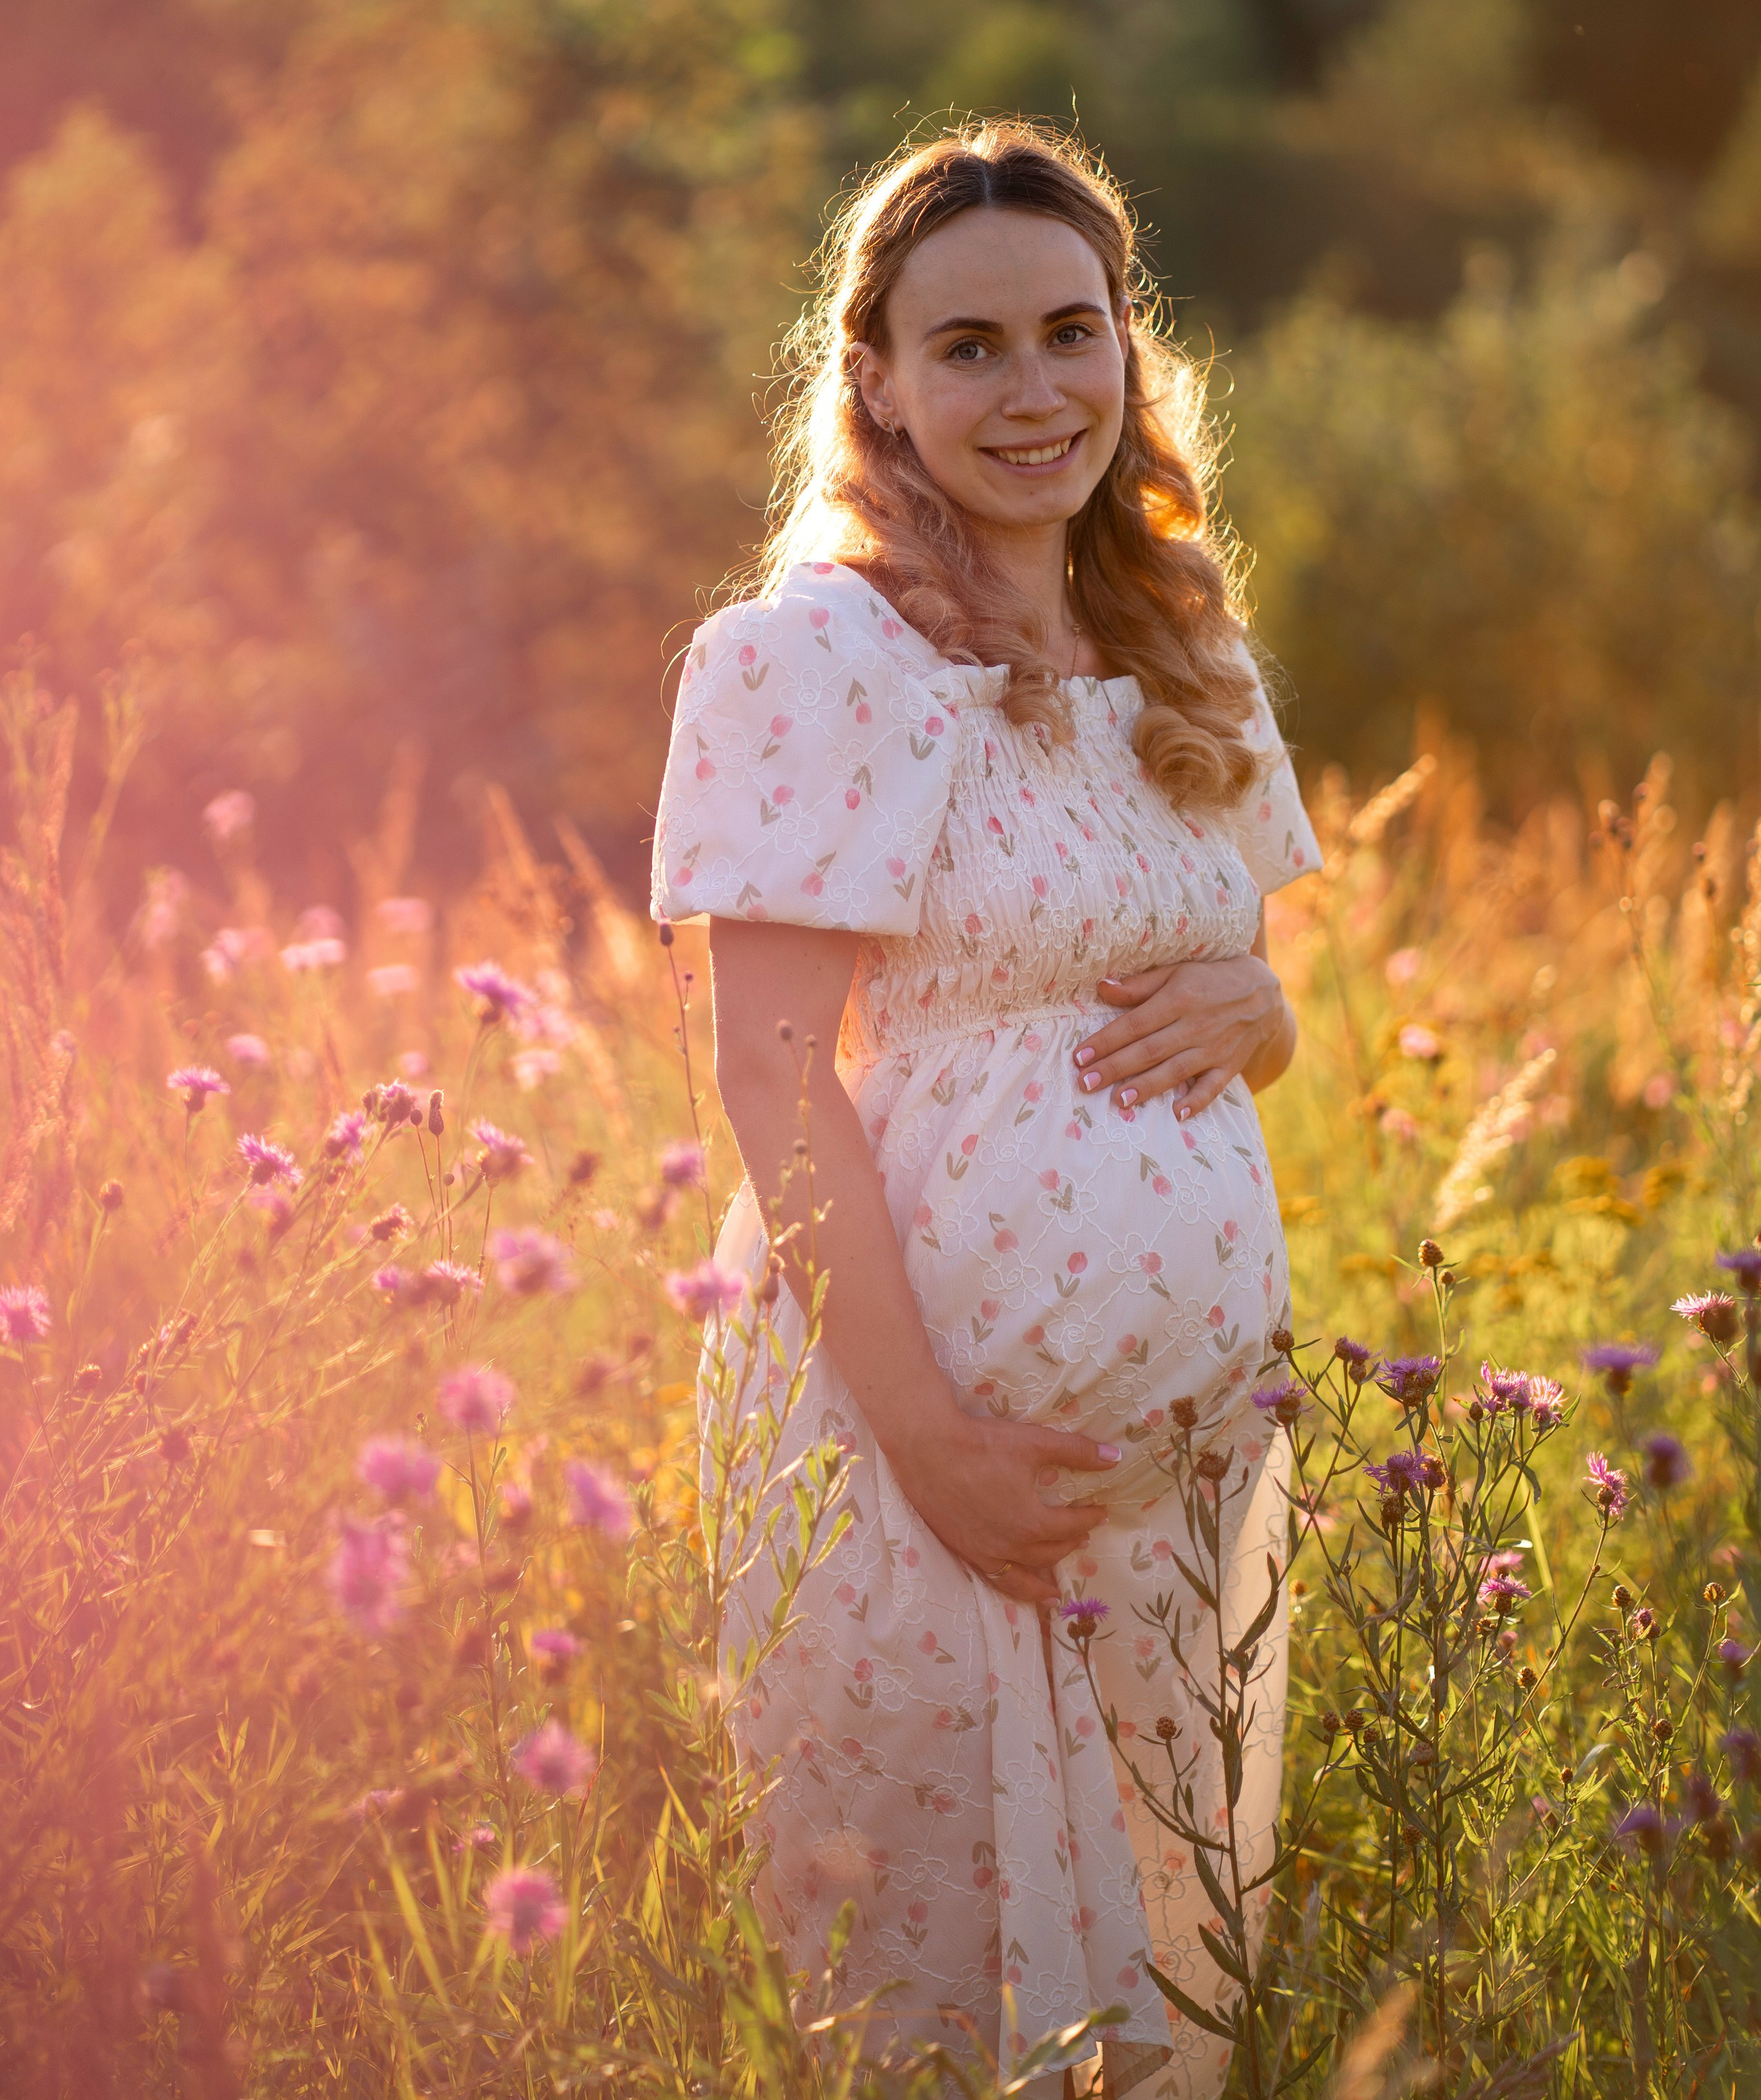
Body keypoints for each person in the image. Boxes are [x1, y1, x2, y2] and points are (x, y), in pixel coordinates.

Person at [650, 120, 1320, 2096]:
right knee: (933, 1987)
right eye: (968, 349)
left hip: (1185, 1469)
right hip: (906, 1430)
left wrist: (1266, 1009)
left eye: (1070, 330)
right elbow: (766, 1069)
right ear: (873, 381)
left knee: (1167, 1969)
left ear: (1133, 345)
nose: (1033, 391)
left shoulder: (1189, 640)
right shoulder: (808, 660)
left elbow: (1233, 1004)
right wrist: (930, 1437)